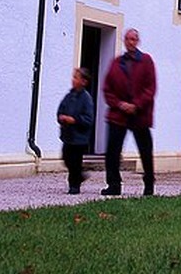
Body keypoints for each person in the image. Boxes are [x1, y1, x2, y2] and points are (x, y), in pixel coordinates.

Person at [102, 28, 157, 197]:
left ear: (137, 41)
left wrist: (136, 105)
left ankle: (149, 184)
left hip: (139, 115)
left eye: (134, 39)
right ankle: (113, 184)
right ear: (124, 41)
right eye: (128, 39)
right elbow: (107, 88)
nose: (131, 42)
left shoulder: (146, 61)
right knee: (112, 151)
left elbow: (150, 88)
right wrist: (119, 104)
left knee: (145, 151)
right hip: (119, 115)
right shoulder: (116, 63)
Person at [57, 66, 95, 194]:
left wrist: (75, 120)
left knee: (75, 161)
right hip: (68, 135)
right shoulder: (69, 96)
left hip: (80, 138)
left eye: (76, 77)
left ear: (84, 82)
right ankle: (79, 175)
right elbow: (61, 109)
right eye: (73, 77)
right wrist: (61, 117)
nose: (73, 80)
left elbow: (89, 119)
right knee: (66, 157)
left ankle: (74, 185)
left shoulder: (86, 99)